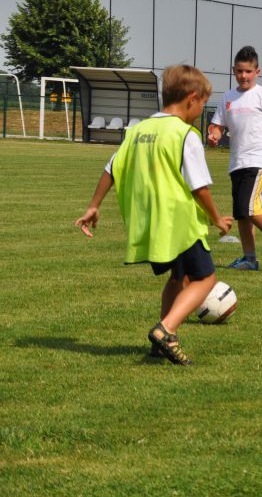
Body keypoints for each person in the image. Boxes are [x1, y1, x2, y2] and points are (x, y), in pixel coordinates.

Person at [75, 65, 233, 364]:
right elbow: (199, 187)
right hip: (180, 222)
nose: (201, 111)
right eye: (202, 104)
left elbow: (111, 168)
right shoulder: (185, 134)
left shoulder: (139, 130)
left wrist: (94, 205)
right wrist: (216, 218)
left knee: (178, 279)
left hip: (151, 223)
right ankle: (166, 329)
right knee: (206, 278)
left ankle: (159, 343)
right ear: (191, 98)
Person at [207, 46, 262, 271]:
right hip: (237, 162)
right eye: (239, 71)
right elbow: (217, 126)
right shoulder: (227, 97)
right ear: (233, 71)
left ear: (257, 71)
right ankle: (249, 258)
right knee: (242, 213)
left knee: (249, 205)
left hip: (258, 161)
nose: (243, 76)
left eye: (248, 71)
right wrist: (214, 136)